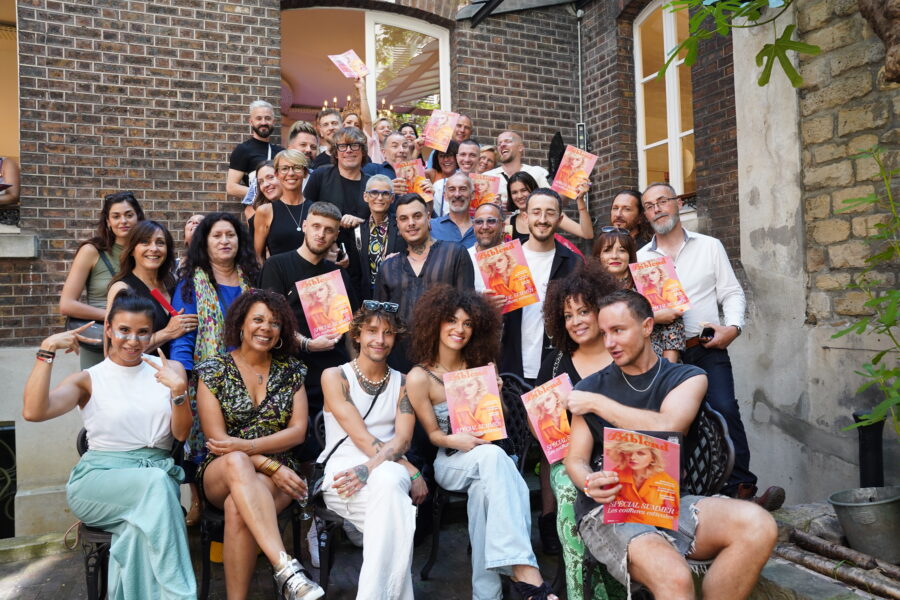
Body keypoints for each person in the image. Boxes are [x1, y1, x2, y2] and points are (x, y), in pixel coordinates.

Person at [564, 289, 778, 599]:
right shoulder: (592, 385)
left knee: (758, 525)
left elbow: (668, 425)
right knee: (675, 576)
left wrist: (597, 404)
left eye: (619, 330)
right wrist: (588, 481)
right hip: (610, 509)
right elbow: (575, 459)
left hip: (670, 501)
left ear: (647, 327)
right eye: (605, 332)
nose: (609, 342)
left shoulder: (688, 377)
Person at [23, 290, 196, 599]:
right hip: (99, 482)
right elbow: (34, 412)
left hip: (154, 478)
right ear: (108, 329)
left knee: (138, 531)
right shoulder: (89, 379)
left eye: (143, 332)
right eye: (124, 330)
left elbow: (181, 435)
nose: (133, 340)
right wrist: (47, 349)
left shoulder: (170, 371)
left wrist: (179, 392)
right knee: (157, 484)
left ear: (152, 332)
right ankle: (180, 594)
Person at [405, 285, 559, 600]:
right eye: (451, 320)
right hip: (452, 459)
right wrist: (456, 439)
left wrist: (496, 392)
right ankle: (523, 570)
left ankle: (486, 595)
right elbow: (433, 435)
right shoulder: (419, 377)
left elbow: (498, 420)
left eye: (467, 323)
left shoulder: (481, 363)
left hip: (490, 456)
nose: (459, 329)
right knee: (494, 460)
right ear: (435, 323)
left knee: (483, 496)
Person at [636, 183, 783, 509]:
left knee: (724, 410)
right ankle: (682, 497)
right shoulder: (641, 258)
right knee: (675, 424)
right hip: (663, 354)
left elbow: (731, 292)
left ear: (678, 203)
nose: (657, 209)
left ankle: (742, 489)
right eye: (649, 205)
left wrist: (733, 328)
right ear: (645, 214)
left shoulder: (709, 246)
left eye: (662, 201)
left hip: (706, 346)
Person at [195, 289, 323, 600]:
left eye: (274, 323)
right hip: (223, 470)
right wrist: (266, 463)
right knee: (236, 462)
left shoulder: (291, 370)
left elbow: (298, 432)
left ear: (282, 331)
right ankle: (286, 569)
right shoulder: (213, 370)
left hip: (280, 472)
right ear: (241, 323)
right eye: (258, 320)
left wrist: (251, 450)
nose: (266, 328)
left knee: (237, 508)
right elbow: (218, 442)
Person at [318, 303, 427, 599]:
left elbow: (403, 439)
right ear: (357, 335)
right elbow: (361, 436)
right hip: (344, 475)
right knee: (397, 516)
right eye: (372, 331)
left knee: (389, 487)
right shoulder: (334, 376)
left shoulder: (403, 383)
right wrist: (409, 468)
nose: (380, 339)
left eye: (388, 333)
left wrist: (370, 468)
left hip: (385, 471)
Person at [171, 213, 258, 491]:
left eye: (230, 235)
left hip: (251, 379)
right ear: (205, 242)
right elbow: (184, 337)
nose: (224, 241)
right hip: (206, 383)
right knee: (206, 450)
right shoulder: (190, 284)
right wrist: (183, 377)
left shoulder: (253, 280)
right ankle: (199, 500)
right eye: (217, 236)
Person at [259, 202, 357, 422]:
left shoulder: (338, 274)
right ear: (305, 226)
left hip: (335, 373)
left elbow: (351, 329)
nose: (321, 234)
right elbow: (272, 321)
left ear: (336, 235)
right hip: (291, 373)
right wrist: (307, 344)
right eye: (316, 226)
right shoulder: (276, 265)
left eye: (328, 230)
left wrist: (355, 372)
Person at [374, 193, 475, 373]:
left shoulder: (455, 254)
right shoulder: (388, 267)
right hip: (399, 363)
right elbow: (381, 319)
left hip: (447, 360)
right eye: (404, 219)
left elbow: (469, 309)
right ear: (397, 225)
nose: (411, 223)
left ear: (428, 218)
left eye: (417, 216)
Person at [499, 188, 580, 382]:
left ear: (560, 219)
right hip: (511, 370)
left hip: (557, 370)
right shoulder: (505, 259)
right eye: (536, 212)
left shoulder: (574, 263)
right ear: (525, 217)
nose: (542, 219)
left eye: (550, 213)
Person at [60, 191, 145, 369]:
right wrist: (111, 316)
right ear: (108, 221)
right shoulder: (92, 251)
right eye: (116, 216)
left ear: (138, 217)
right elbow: (67, 304)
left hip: (139, 342)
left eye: (129, 215)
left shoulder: (147, 252)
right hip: (100, 339)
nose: (123, 221)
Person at [106, 220, 198, 357]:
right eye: (145, 242)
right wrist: (167, 333)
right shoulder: (122, 288)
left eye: (160, 243)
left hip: (176, 368)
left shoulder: (172, 281)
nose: (154, 248)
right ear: (132, 250)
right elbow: (112, 352)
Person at [594, 228, 685, 364]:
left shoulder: (649, 280)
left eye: (622, 250)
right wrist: (653, 316)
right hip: (608, 364)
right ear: (598, 256)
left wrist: (666, 369)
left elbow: (673, 327)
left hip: (657, 363)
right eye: (607, 250)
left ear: (630, 255)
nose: (614, 256)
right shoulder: (589, 291)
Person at [347, 175, 407, 301]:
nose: (379, 198)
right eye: (374, 193)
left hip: (399, 297)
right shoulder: (358, 231)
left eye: (385, 193)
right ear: (365, 196)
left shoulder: (401, 227)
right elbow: (355, 274)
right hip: (367, 299)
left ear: (392, 198)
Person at [603, 439, 678, 529]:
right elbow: (609, 499)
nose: (632, 457)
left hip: (659, 526)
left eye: (640, 453)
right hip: (626, 525)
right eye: (629, 453)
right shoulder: (617, 473)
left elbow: (676, 511)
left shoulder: (666, 480)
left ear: (653, 458)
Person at [304, 127, 370, 229]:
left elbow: (381, 221)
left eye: (354, 145)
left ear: (363, 152)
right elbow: (306, 212)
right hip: (325, 238)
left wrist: (362, 222)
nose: (349, 150)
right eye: (342, 146)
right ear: (335, 153)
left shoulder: (371, 184)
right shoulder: (320, 175)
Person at [227, 100, 284, 217]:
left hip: (282, 209)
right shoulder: (243, 150)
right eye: (259, 118)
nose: (263, 122)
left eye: (267, 118)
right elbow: (231, 187)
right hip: (258, 211)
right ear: (251, 122)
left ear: (273, 122)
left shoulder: (281, 152)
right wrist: (264, 192)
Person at [505, 171, 593, 247]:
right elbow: (506, 251)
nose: (519, 196)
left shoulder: (550, 214)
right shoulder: (508, 224)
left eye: (524, 190)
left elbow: (587, 234)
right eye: (514, 192)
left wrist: (580, 200)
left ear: (532, 189)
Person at [253, 150, 309, 260]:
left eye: (297, 167)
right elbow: (258, 256)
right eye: (284, 169)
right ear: (277, 174)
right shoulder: (265, 211)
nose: (291, 173)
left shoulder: (315, 210)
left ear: (305, 172)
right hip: (277, 271)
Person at [484, 131, 550, 206]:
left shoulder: (536, 172)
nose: (502, 145)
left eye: (508, 141)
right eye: (499, 143)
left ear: (520, 148)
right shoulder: (487, 177)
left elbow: (551, 201)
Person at [432, 139, 480, 215]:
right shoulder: (440, 186)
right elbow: (437, 217)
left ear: (479, 159)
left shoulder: (488, 187)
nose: (467, 159)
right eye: (463, 154)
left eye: (472, 155)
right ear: (457, 157)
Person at [429, 172, 475, 248]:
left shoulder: (483, 228)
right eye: (452, 189)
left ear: (472, 195)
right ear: (445, 196)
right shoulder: (431, 226)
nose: (457, 194)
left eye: (463, 189)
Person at [247, 160, 282, 255]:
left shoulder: (306, 207)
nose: (265, 185)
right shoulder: (258, 216)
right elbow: (256, 256)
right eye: (260, 182)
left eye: (270, 177)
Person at [285, 120, 319, 193]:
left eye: (313, 147)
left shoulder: (319, 179)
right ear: (290, 148)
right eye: (303, 145)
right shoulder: (274, 178)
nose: (309, 150)